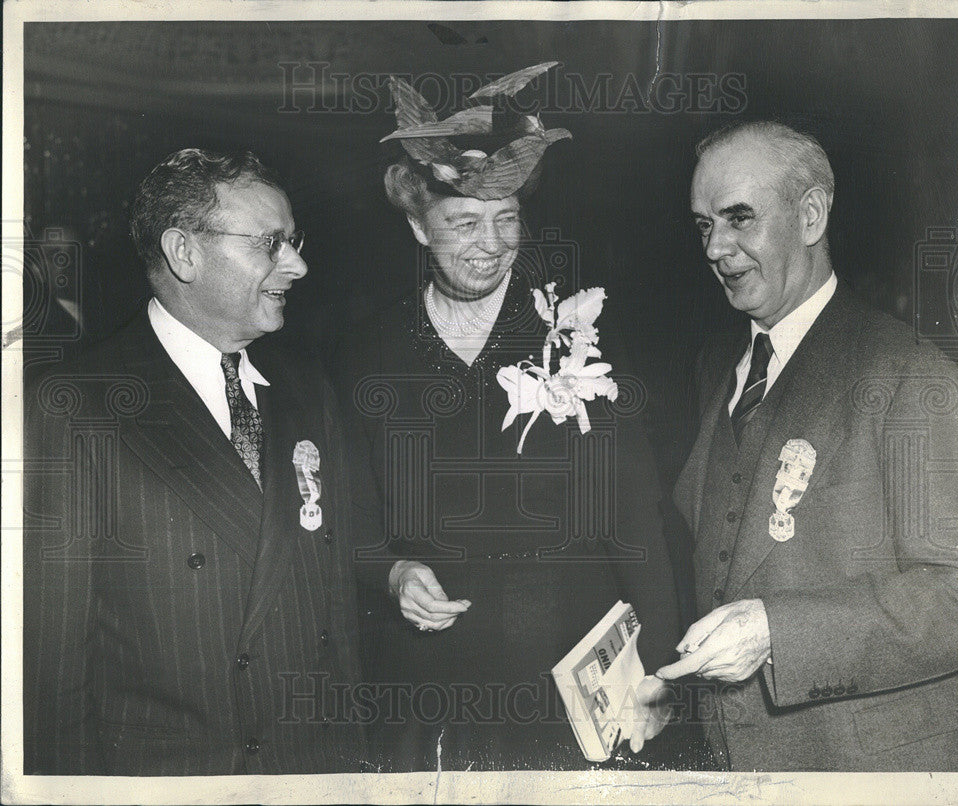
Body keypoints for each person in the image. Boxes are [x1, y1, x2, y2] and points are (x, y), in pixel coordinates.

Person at [331, 66, 695, 771]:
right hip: (431, 679)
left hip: (571, 671)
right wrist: (393, 571)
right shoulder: (365, 352)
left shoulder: (576, 330)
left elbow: (636, 516)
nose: (491, 245)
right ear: (416, 224)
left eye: (507, 221)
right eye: (464, 223)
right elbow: (348, 518)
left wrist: (657, 671)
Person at [23, 148, 374, 774]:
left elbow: (334, 613)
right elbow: (52, 666)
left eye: (294, 240)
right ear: (184, 253)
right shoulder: (76, 405)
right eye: (271, 244)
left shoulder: (307, 388)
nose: (297, 264)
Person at [631, 121, 958, 771]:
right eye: (704, 225)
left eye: (739, 219)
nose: (715, 247)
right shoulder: (717, 364)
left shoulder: (909, 376)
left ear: (811, 216)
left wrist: (775, 631)